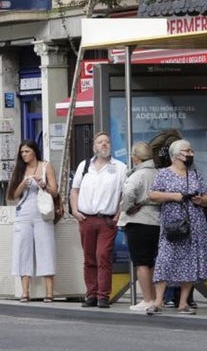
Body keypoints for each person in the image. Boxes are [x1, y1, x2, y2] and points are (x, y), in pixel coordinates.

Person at [146, 139, 207, 315]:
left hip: (194, 224)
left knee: (190, 262)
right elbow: (152, 194)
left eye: (191, 150)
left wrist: (201, 200)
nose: (190, 153)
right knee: (164, 260)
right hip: (172, 225)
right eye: (186, 151)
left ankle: (183, 303)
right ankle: (158, 302)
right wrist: (174, 196)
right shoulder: (164, 174)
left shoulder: (195, 174)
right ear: (175, 155)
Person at [70, 132, 128, 308]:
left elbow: (125, 194)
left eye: (107, 142)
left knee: (102, 255)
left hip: (107, 220)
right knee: (89, 258)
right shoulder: (84, 165)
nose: (104, 144)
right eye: (100, 142)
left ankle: (103, 295)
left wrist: (118, 214)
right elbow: (75, 190)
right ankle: (91, 295)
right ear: (94, 147)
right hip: (86, 218)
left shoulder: (119, 167)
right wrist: (75, 210)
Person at [7, 140, 59, 302]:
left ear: (34, 151)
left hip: (42, 213)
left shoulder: (46, 166)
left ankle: (49, 292)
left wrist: (42, 184)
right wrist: (23, 183)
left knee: (46, 249)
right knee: (23, 250)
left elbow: (55, 192)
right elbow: (13, 195)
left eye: (27, 151)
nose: (24, 155)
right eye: (22, 152)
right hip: (24, 213)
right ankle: (25, 292)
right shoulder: (19, 170)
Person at [117, 142, 160, 312]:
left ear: (136, 158)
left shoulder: (137, 175)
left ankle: (147, 299)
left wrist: (126, 208)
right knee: (154, 262)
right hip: (157, 220)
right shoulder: (158, 173)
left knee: (141, 262)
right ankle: (157, 298)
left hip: (139, 221)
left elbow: (128, 193)